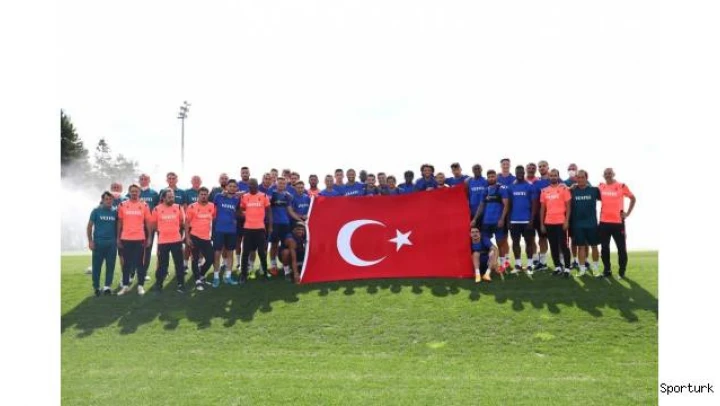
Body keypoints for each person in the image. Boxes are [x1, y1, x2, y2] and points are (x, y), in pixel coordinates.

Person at [597, 168, 636, 279]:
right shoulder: (600, 186)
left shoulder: (621, 186)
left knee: (621, 249)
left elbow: (633, 198)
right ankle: (607, 270)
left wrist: (627, 213)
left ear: (613, 174)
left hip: (618, 223)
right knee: (604, 248)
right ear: (603, 175)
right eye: (606, 173)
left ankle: (621, 272)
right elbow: (588, 191)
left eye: (610, 173)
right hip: (604, 223)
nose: (608, 175)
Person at [471, 170, 510, 273]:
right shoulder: (485, 190)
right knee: (486, 244)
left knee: (500, 244)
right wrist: (475, 219)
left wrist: (502, 219)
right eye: (489, 177)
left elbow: (506, 205)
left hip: (498, 222)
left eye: (493, 176)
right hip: (486, 222)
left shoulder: (501, 189)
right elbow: (481, 206)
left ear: (496, 177)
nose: (491, 178)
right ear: (487, 178)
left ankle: (503, 265)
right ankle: (489, 265)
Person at [117, 184, 152, 295]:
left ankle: (140, 286)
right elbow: (119, 223)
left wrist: (149, 237)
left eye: (136, 191)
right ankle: (125, 286)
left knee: (140, 264)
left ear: (139, 193)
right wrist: (118, 238)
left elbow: (148, 223)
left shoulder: (144, 205)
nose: (134, 193)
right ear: (129, 192)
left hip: (139, 238)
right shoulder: (122, 205)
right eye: (132, 191)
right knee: (126, 264)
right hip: (126, 238)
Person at [149, 189, 187, 293]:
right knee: (162, 264)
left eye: (172, 197)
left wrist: (183, 235)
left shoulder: (178, 207)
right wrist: (162, 231)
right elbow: (153, 225)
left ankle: (181, 284)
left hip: (176, 240)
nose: (171, 199)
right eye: (169, 197)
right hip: (163, 241)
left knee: (179, 264)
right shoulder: (157, 209)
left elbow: (182, 222)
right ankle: (159, 284)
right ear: (163, 198)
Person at [539, 169, 572, 278]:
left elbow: (568, 207)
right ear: (549, 177)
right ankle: (557, 267)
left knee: (563, 245)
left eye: (555, 175)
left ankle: (567, 268)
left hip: (561, 222)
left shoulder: (563, 189)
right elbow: (542, 209)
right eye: (551, 175)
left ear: (558, 176)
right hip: (549, 223)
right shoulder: (544, 191)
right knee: (553, 246)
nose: (553, 177)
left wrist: (566, 221)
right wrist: (542, 224)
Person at [239, 178, 273, 283]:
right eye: (250, 185)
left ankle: (265, 273)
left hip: (260, 228)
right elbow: (241, 209)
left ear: (257, 185)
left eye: (253, 184)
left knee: (262, 252)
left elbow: (269, 212)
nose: (251, 186)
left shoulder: (263, 196)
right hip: (248, 228)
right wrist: (245, 215)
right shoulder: (244, 197)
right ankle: (243, 275)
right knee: (245, 252)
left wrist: (270, 226)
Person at [569, 170, 600, 276]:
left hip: (592, 224)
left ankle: (595, 268)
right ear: (576, 179)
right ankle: (582, 269)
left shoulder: (594, 190)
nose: (580, 179)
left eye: (582, 177)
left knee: (594, 246)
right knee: (580, 247)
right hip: (578, 225)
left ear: (587, 178)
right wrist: (570, 188)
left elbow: (608, 200)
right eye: (578, 177)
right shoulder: (572, 191)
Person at [87, 191, 118, 296]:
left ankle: (107, 287)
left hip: (112, 244)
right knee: (96, 267)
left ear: (113, 200)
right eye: (106, 199)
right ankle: (96, 287)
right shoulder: (96, 211)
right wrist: (90, 241)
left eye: (110, 199)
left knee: (110, 266)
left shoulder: (115, 211)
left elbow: (118, 226)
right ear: (102, 200)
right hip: (98, 243)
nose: (108, 201)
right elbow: (89, 226)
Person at [508, 165, 537, 275]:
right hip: (514, 221)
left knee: (529, 243)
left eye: (521, 172)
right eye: (518, 172)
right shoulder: (511, 187)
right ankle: (518, 265)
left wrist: (531, 220)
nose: (519, 174)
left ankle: (529, 265)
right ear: (515, 173)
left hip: (527, 221)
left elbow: (534, 205)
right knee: (515, 243)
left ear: (524, 173)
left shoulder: (530, 186)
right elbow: (509, 205)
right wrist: (508, 220)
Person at [185, 187, 215, 290]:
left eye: (205, 194)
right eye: (201, 194)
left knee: (211, 258)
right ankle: (197, 280)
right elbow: (187, 222)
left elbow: (214, 218)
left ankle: (201, 273)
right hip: (194, 236)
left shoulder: (212, 206)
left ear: (208, 195)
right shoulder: (192, 206)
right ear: (198, 195)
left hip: (206, 238)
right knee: (195, 258)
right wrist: (187, 237)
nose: (203, 196)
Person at [212, 179, 241, 286]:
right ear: (226, 187)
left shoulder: (237, 199)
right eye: (230, 186)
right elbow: (211, 206)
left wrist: (235, 219)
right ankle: (216, 277)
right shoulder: (218, 196)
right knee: (217, 253)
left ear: (236, 188)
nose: (232, 188)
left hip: (231, 230)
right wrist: (222, 193)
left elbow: (238, 211)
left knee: (230, 253)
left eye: (234, 186)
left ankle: (228, 276)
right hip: (219, 229)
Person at [269, 177, 294, 274]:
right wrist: (270, 225)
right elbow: (268, 209)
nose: (281, 185)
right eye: (280, 183)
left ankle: (286, 269)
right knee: (274, 245)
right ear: (276, 184)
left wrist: (300, 219)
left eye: (283, 183)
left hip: (285, 224)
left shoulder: (287, 196)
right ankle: (273, 266)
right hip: (275, 224)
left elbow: (290, 211)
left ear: (286, 185)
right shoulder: (272, 194)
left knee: (285, 246)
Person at [529, 161, 551, 270]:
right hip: (539, 215)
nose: (542, 168)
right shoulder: (536, 183)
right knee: (542, 239)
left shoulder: (554, 180)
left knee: (556, 240)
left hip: (553, 215)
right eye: (540, 166)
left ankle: (561, 263)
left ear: (548, 167)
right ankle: (543, 262)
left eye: (544, 166)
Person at [137, 174, 159, 282]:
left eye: (145, 179)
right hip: (136, 226)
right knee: (136, 249)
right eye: (141, 179)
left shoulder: (154, 193)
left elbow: (157, 209)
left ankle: (144, 272)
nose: (143, 181)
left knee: (147, 249)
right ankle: (133, 271)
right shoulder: (135, 192)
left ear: (149, 180)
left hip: (149, 226)